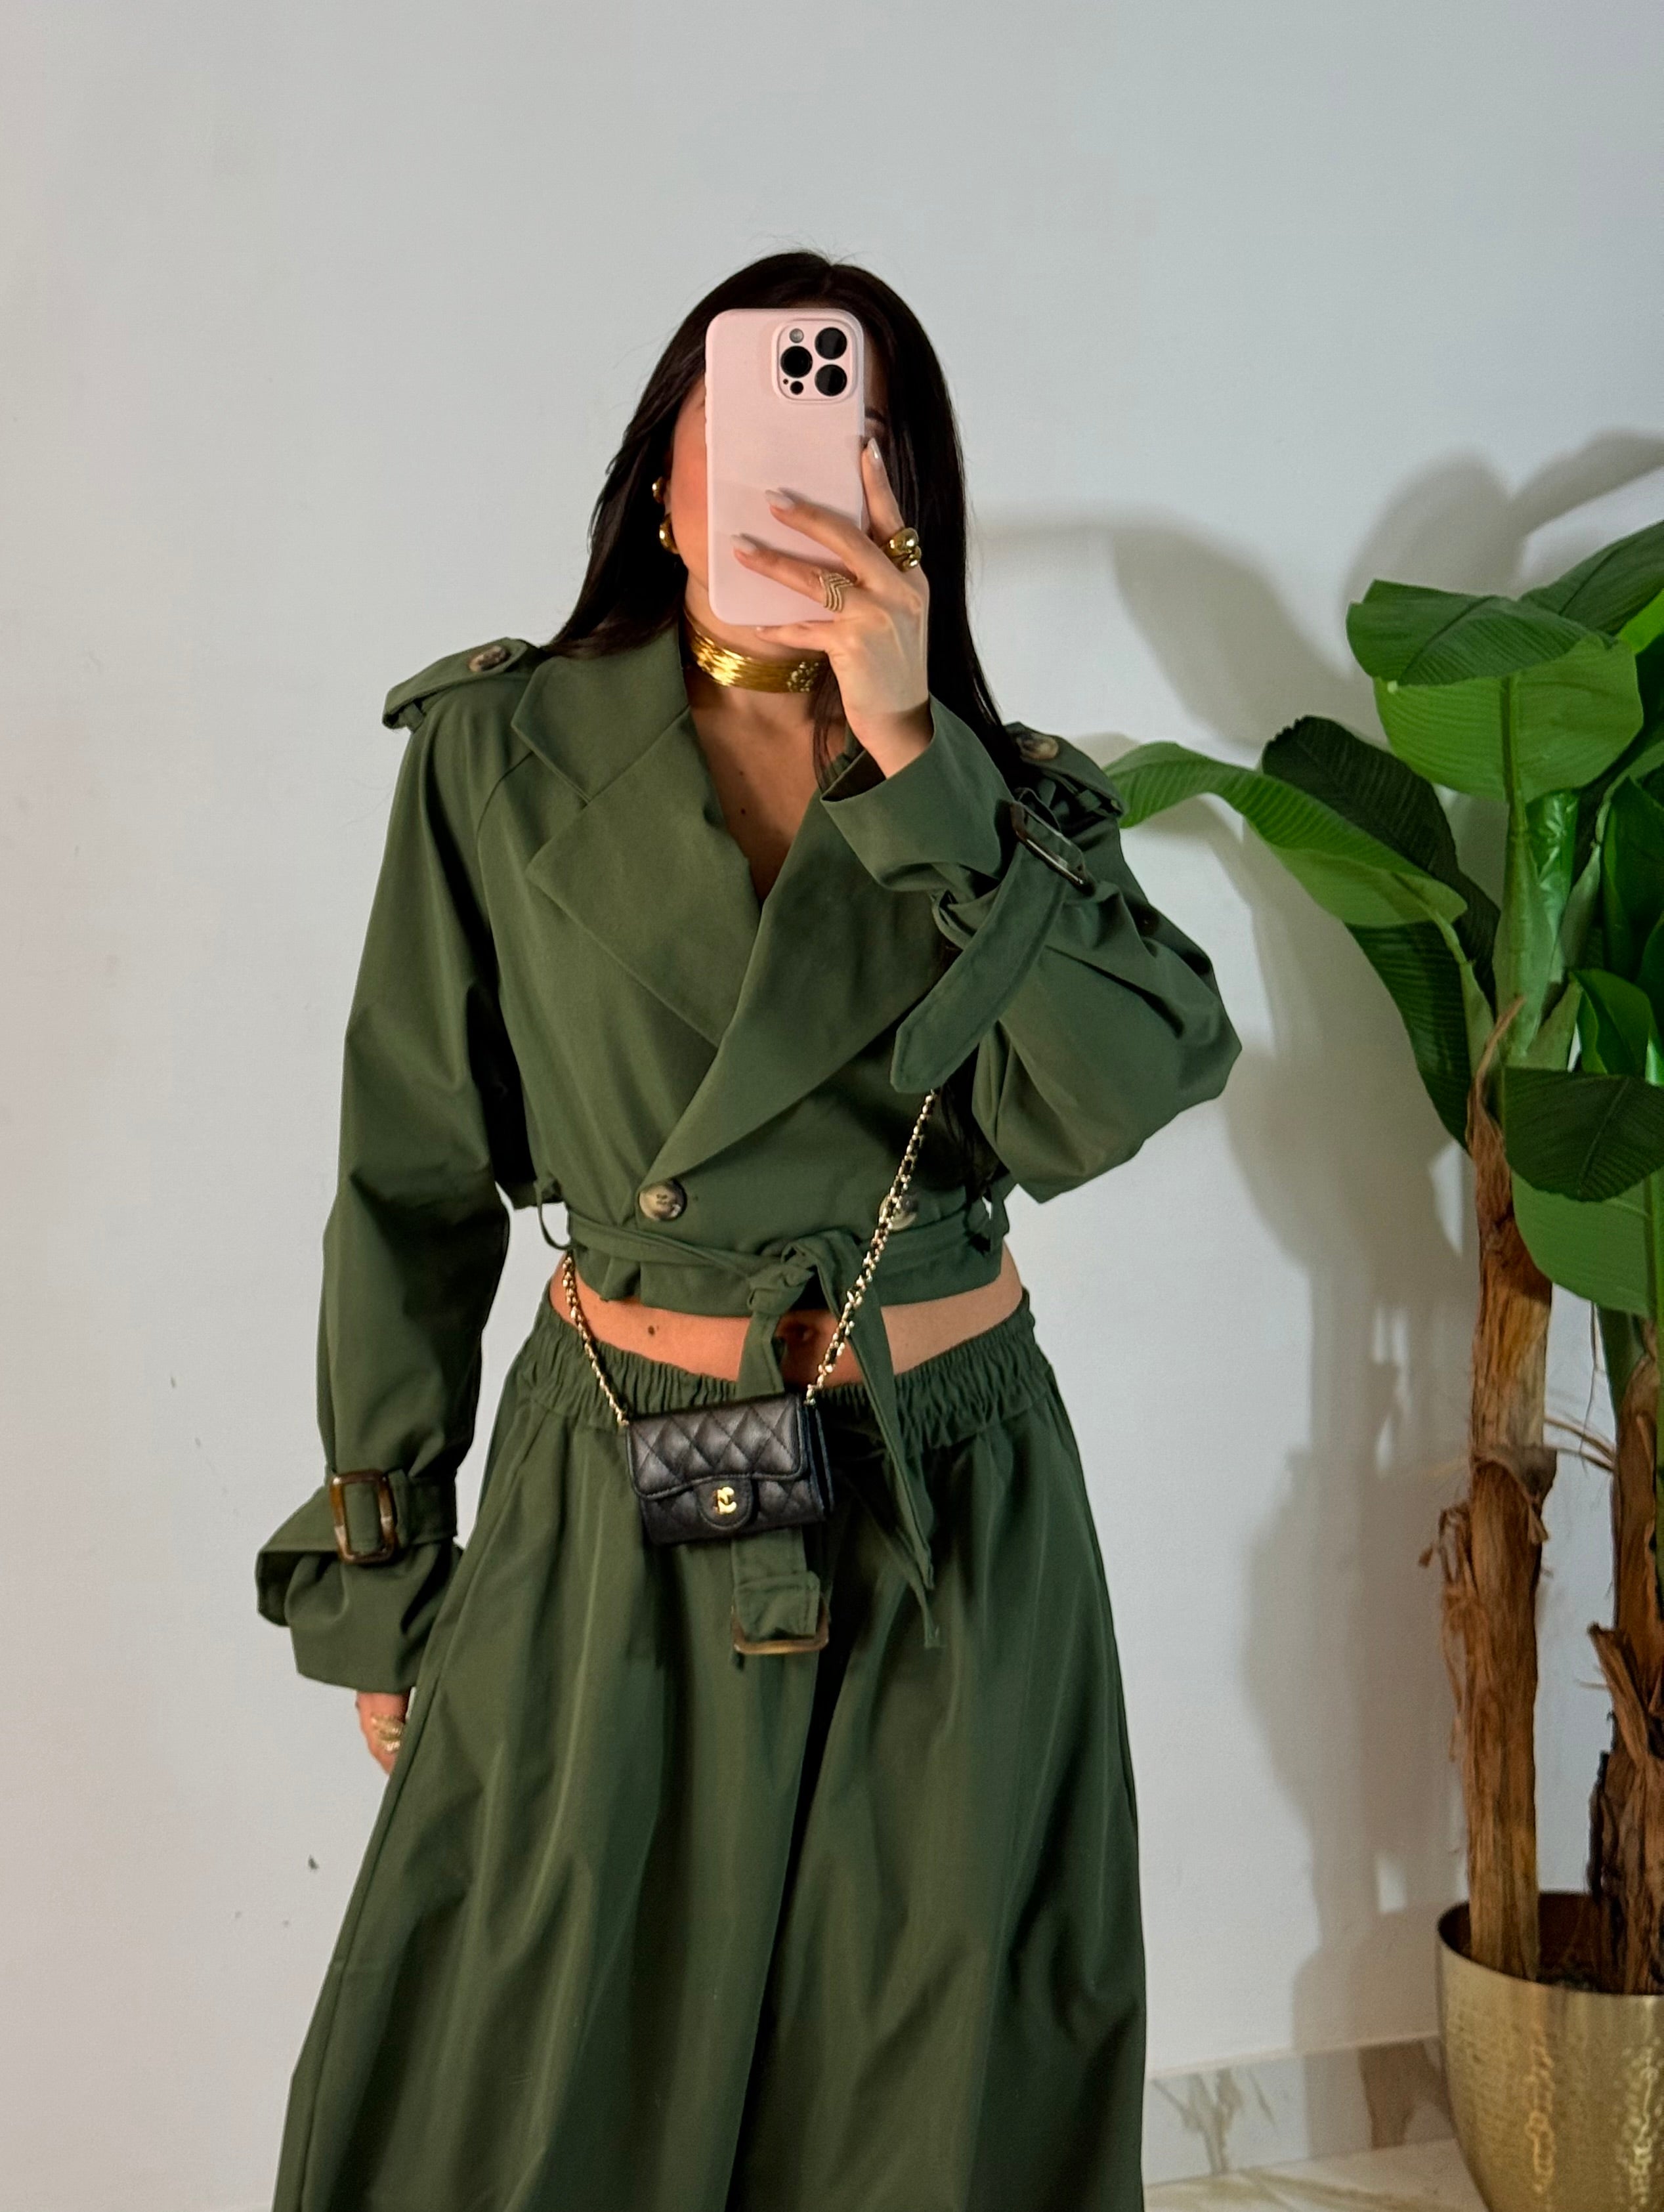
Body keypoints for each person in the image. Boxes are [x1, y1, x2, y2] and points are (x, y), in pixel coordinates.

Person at [256, 249, 1239, 2212]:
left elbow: (1131, 1087)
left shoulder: (1003, 805)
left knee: (929, 2101)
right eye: (760, 413)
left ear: (910, 506)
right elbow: (409, 1182)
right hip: (615, 1494)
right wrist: (385, 1556)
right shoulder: (494, 755)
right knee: (540, 2089)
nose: (807, 469)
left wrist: (918, 758)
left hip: (951, 1508)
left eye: (860, 431)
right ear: (661, 477)